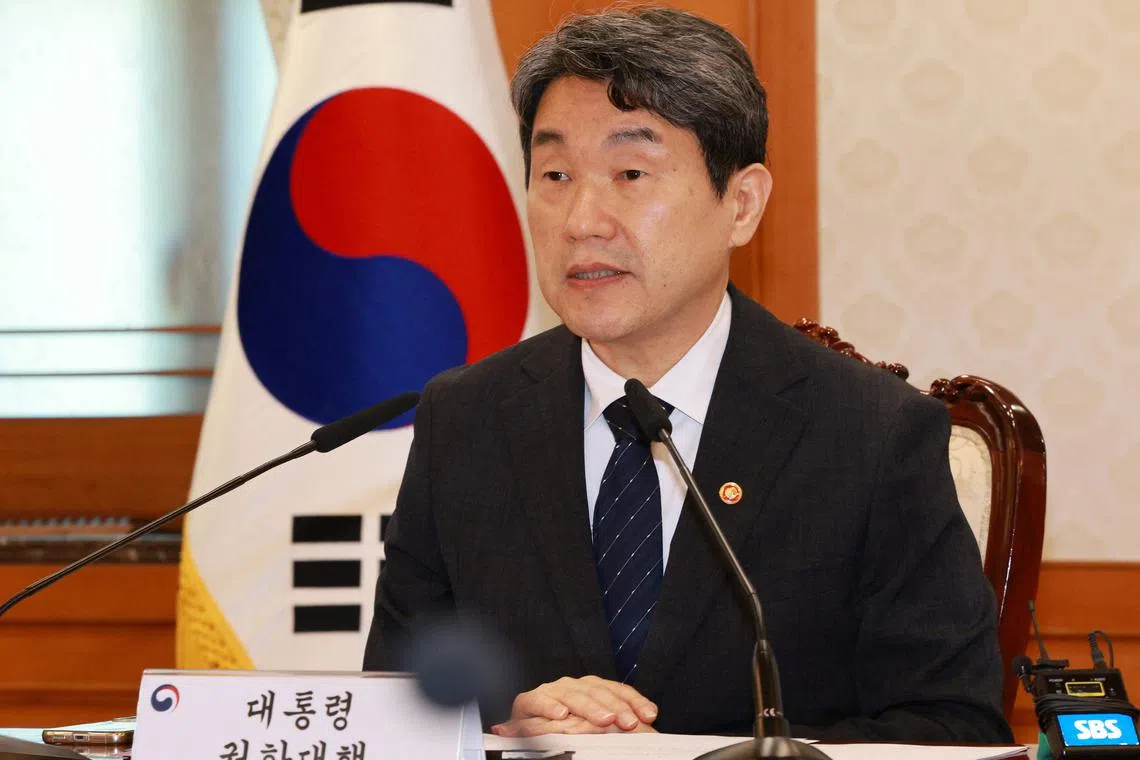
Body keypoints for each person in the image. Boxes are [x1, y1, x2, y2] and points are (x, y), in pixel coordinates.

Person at [364, 5, 1012, 744]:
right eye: (555, 174)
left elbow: (952, 726)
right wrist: (503, 731)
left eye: (631, 173)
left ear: (741, 204)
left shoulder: (871, 433)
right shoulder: (465, 420)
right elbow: (392, 715)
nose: (582, 220)